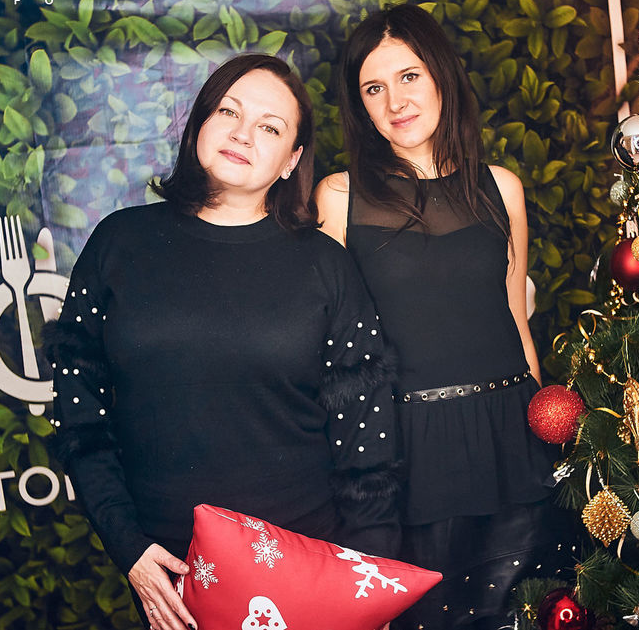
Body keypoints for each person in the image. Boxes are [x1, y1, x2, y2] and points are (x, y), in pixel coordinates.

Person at [45, 54, 400, 630]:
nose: (242, 133)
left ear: (292, 161)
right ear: (199, 126)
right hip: (173, 573)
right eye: (228, 112)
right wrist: (128, 547)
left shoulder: (325, 264)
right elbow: (80, 414)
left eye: (270, 127)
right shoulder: (119, 242)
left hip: (306, 563)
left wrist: (371, 583)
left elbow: (367, 439)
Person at [316, 5, 571, 630]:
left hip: (513, 438)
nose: (395, 101)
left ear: (441, 77)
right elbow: (332, 353)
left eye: (409, 77)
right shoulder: (339, 197)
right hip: (412, 453)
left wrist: (546, 437)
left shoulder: (502, 188)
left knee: (531, 615)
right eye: (373, 88)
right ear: (360, 106)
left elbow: (514, 319)